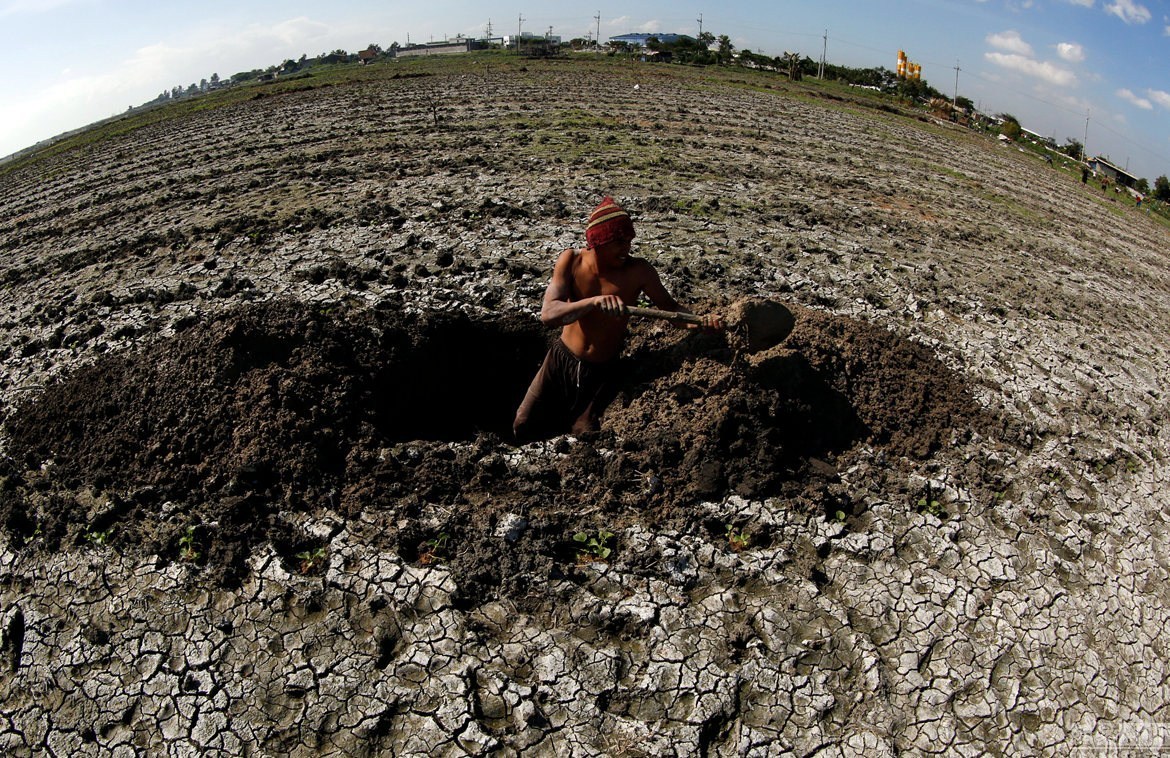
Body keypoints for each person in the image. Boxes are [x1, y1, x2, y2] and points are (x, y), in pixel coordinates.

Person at [513, 196, 723, 441]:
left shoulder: (639, 271)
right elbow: (549, 314)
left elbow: (671, 309)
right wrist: (593, 303)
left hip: (601, 370)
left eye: (629, 241)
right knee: (523, 422)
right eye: (619, 242)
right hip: (560, 360)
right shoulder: (571, 261)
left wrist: (701, 321)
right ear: (598, 242)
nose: (627, 249)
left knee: (584, 433)